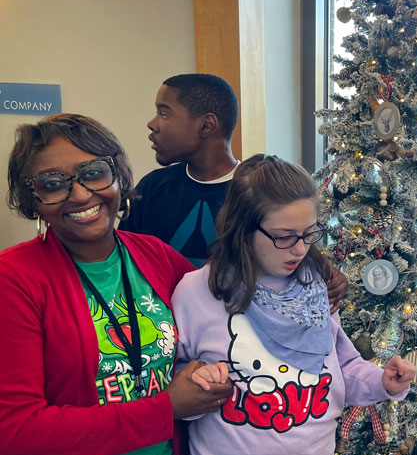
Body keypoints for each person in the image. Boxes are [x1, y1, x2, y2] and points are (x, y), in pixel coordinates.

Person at [0, 114, 232, 455]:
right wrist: (165, 410)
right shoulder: (13, 279)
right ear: (33, 199)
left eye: (93, 173)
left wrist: (315, 274)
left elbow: (230, 291)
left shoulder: (154, 255)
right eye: (52, 184)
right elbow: (16, 429)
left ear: (117, 177)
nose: (79, 195)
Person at [171, 154, 416, 455]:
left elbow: (341, 367)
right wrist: (197, 383)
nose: (300, 249)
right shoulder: (195, 293)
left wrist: (383, 382)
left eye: (309, 233)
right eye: (284, 237)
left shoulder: (316, 284)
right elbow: (174, 383)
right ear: (242, 228)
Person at [119, 73, 348, 309]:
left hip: (239, 324)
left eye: (164, 113)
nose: (153, 123)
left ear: (206, 125)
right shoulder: (152, 188)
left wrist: (330, 276)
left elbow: (294, 247)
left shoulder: (259, 190)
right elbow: (123, 263)